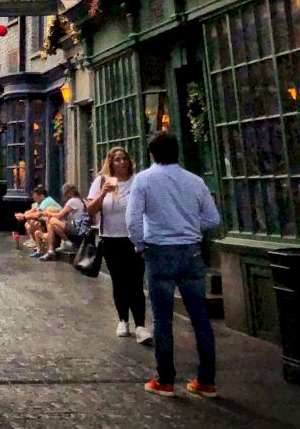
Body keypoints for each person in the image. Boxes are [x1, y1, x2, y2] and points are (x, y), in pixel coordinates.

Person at [128, 132, 221, 399]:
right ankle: (206, 381)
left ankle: (166, 380)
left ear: (152, 153)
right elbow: (212, 219)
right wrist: (189, 229)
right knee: (200, 319)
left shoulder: (143, 180)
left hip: (159, 252)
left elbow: (133, 220)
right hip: (192, 253)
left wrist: (141, 245)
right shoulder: (195, 181)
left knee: (162, 319)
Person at [87, 147, 152, 344]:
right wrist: (102, 193)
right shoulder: (101, 181)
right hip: (111, 238)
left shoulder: (137, 181)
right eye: (117, 160)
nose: (122, 163)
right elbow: (90, 210)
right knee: (119, 281)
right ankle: (123, 320)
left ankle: (140, 325)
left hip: (133, 238)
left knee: (136, 282)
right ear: (110, 163)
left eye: (124, 159)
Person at [38, 184, 85, 260]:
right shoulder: (79, 200)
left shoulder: (72, 201)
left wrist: (47, 214)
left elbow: (60, 215)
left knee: (51, 220)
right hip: (78, 228)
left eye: (65, 194)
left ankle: (66, 244)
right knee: (52, 225)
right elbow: (63, 216)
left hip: (78, 230)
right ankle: (51, 250)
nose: (65, 196)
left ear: (69, 192)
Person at [14, 186, 61, 258]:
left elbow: (37, 215)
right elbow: (31, 211)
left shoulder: (46, 201)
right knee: (29, 223)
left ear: (42, 196)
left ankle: (45, 244)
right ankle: (39, 245)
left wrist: (24, 217)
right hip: (47, 222)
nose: (34, 200)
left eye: (36, 198)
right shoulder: (40, 202)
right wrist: (22, 215)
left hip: (55, 224)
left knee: (33, 221)